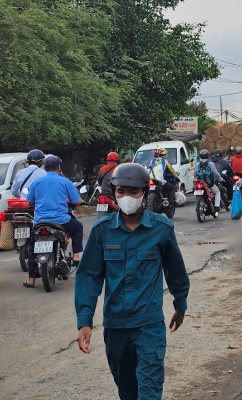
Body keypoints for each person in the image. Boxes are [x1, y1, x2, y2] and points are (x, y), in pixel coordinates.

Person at [74, 163, 190, 400]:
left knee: (148, 392)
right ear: (114, 194)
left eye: (133, 192)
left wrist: (180, 304)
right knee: (127, 391)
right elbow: (89, 276)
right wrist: (84, 321)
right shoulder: (102, 230)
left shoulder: (161, 228)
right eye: (121, 192)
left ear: (144, 194)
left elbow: (175, 270)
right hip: (115, 328)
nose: (127, 197)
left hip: (149, 326)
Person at [23, 156, 84, 288]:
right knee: (78, 227)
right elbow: (77, 201)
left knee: (33, 247)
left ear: (44, 168)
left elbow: (30, 202)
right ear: (59, 168)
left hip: (39, 222)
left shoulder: (37, 182)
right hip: (60, 221)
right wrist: (81, 202)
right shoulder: (65, 182)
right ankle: (76, 256)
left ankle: (31, 280)